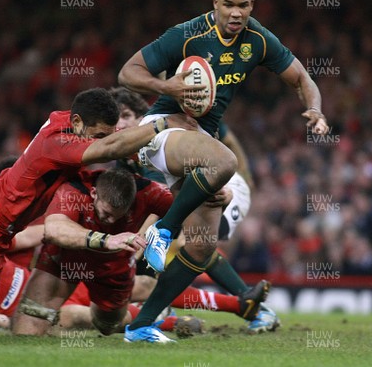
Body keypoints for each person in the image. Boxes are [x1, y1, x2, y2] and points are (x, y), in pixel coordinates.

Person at [118, 0, 328, 342]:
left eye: (243, 5)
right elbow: (128, 72)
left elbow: (300, 78)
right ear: (214, 4)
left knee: (201, 246)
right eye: (228, 5)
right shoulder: (186, 34)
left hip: (201, 140)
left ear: (252, 5)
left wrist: (315, 109)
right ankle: (164, 230)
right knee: (225, 163)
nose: (235, 13)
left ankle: (140, 326)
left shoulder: (258, 40)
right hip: (163, 128)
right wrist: (165, 86)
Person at [0, 87, 195, 335]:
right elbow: (110, 149)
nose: (100, 140)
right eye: (97, 135)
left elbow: (115, 143)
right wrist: (164, 123)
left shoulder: (65, 120)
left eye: (104, 135)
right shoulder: (59, 143)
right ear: (78, 121)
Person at [11, 168, 268, 336]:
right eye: (104, 214)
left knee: (108, 322)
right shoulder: (72, 191)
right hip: (65, 262)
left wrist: (225, 196)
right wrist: (105, 240)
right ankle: (170, 318)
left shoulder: (149, 187)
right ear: (93, 194)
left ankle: (236, 303)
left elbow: (196, 214)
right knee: (30, 330)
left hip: (115, 266)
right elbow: (52, 230)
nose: (109, 221)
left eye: (116, 216)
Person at [110, 87, 280, 334]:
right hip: (190, 196)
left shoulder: (161, 139)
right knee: (181, 244)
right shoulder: (126, 157)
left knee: (192, 238)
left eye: (125, 115)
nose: (120, 123)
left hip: (224, 185)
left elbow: (227, 137)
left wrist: (245, 175)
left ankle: (253, 306)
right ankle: (244, 303)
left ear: (142, 117)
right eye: (115, 118)